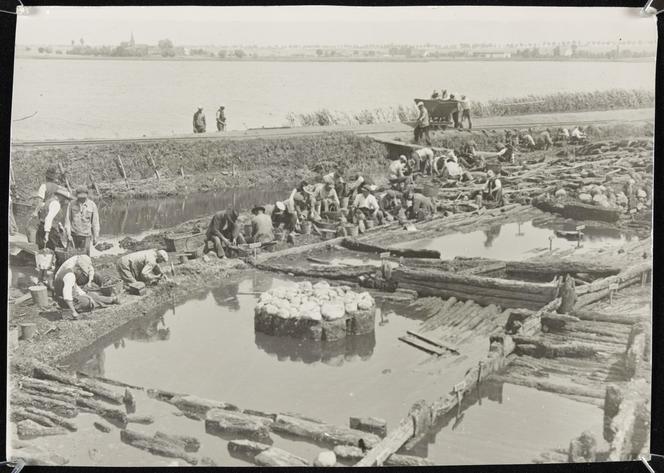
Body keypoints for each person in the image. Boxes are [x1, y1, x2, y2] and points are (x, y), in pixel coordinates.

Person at [55, 254, 118, 319]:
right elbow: (67, 296)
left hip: (71, 297)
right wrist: (73, 312)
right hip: (64, 301)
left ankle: (111, 300)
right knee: (87, 302)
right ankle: (69, 310)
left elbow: (77, 289)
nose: (82, 275)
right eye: (82, 272)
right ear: (78, 269)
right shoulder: (69, 276)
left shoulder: (71, 272)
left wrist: (88, 296)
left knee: (90, 296)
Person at [64, 187, 100, 256]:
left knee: (84, 257)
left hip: (86, 236)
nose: (82, 199)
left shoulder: (92, 205)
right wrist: (68, 234)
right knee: (71, 257)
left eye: (84, 197)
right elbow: (67, 220)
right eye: (80, 197)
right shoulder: (71, 204)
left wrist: (96, 236)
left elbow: (95, 223)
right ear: (77, 196)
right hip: (73, 235)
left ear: (87, 195)